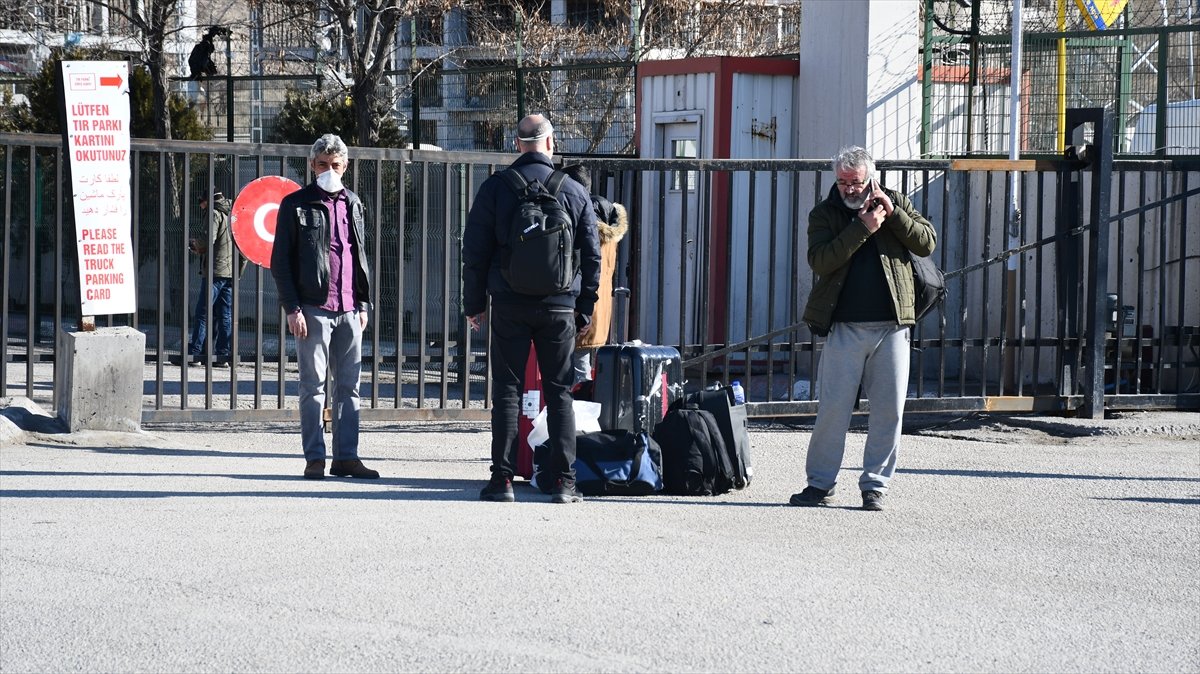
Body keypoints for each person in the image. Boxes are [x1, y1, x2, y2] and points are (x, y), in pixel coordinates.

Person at [462, 114, 601, 503]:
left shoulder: (495, 188)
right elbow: (592, 255)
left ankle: (502, 480)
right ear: (551, 143)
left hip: (508, 303)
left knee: (507, 390)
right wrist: (584, 306)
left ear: (517, 144)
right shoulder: (573, 190)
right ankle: (565, 483)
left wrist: (475, 305)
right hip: (559, 307)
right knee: (560, 393)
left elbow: (473, 253)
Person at [790, 145, 937, 512]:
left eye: (854, 182)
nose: (848, 189)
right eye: (841, 182)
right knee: (833, 410)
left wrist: (894, 215)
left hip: (892, 327)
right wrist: (863, 228)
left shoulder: (896, 201)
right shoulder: (824, 213)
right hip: (845, 326)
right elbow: (821, 260)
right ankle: (820, 485)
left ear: (870, 177)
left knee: (889, 412)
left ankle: (875, 486)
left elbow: (926, 242)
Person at [271, 133, 378, 481]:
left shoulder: (354, 203)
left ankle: (347, 457)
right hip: (313, 308)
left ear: (345, 166)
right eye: (322, 165)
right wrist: (292, 308)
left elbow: (358, 254)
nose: (329, 170)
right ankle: (314, 457)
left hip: (350, 308)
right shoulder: (296, 204)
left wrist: (363, 302)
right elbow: (280, 262)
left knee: (349, 388)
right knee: (313, 386)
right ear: (312, 166)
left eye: (335, 165)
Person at [560, 163, 629, 385]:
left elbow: (581, 266)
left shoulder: (581, 219)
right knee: (585, 368)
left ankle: (579, 416)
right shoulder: (609, 217)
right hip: (599, 307)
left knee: (577, 372)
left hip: (580, 306)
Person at [182, 190, 235, 366]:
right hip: (230, 271)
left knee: (202, 313)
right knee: (225, 314)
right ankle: (222, 355)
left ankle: (196, 353)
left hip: (215, 270)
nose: (200, 206)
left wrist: (194, 244)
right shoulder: (232, 211)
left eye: (201, 202)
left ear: (207, 200)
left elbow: (207, 240)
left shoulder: (214, 213)